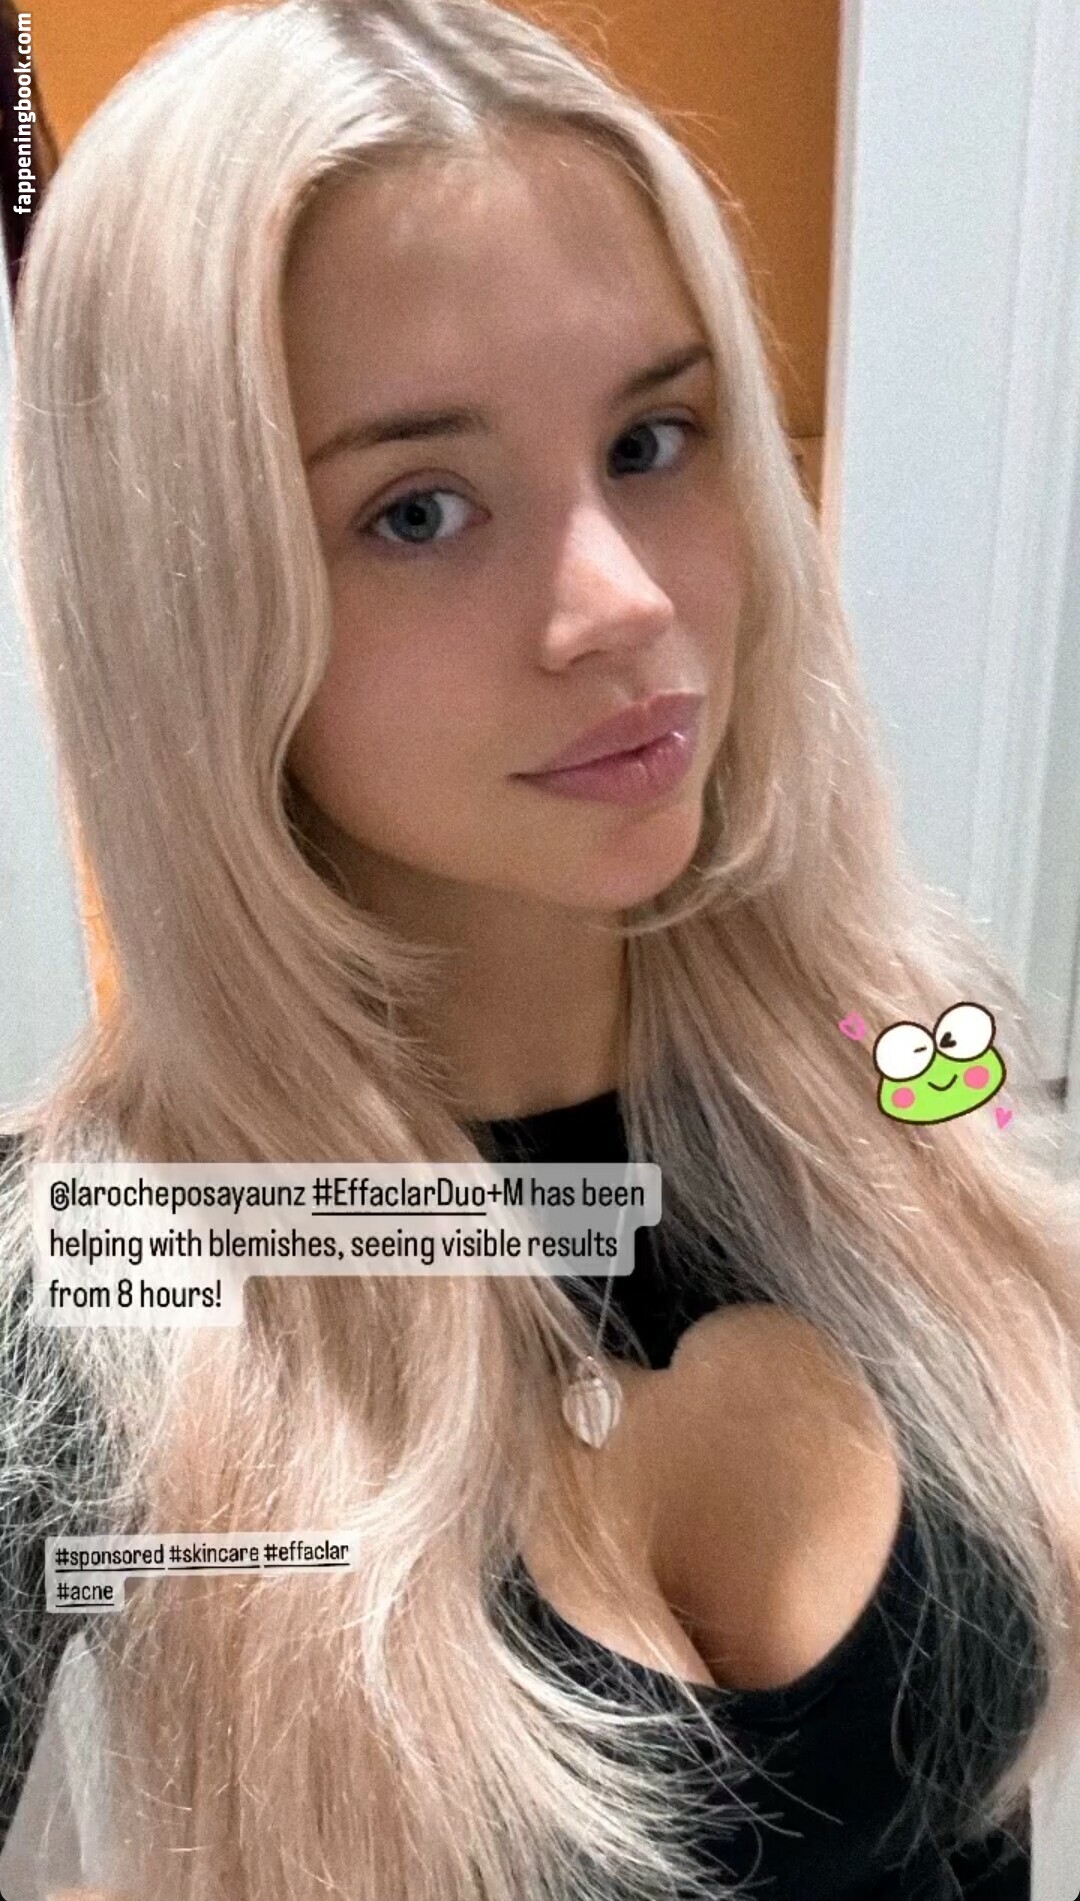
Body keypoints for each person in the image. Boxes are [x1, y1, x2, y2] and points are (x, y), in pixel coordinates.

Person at [1, 2, 1079, 1896]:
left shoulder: (907, 1048)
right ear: (193, 597)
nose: (623, 599)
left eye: (655, 439)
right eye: (418, 510)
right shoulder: (86, 1292)